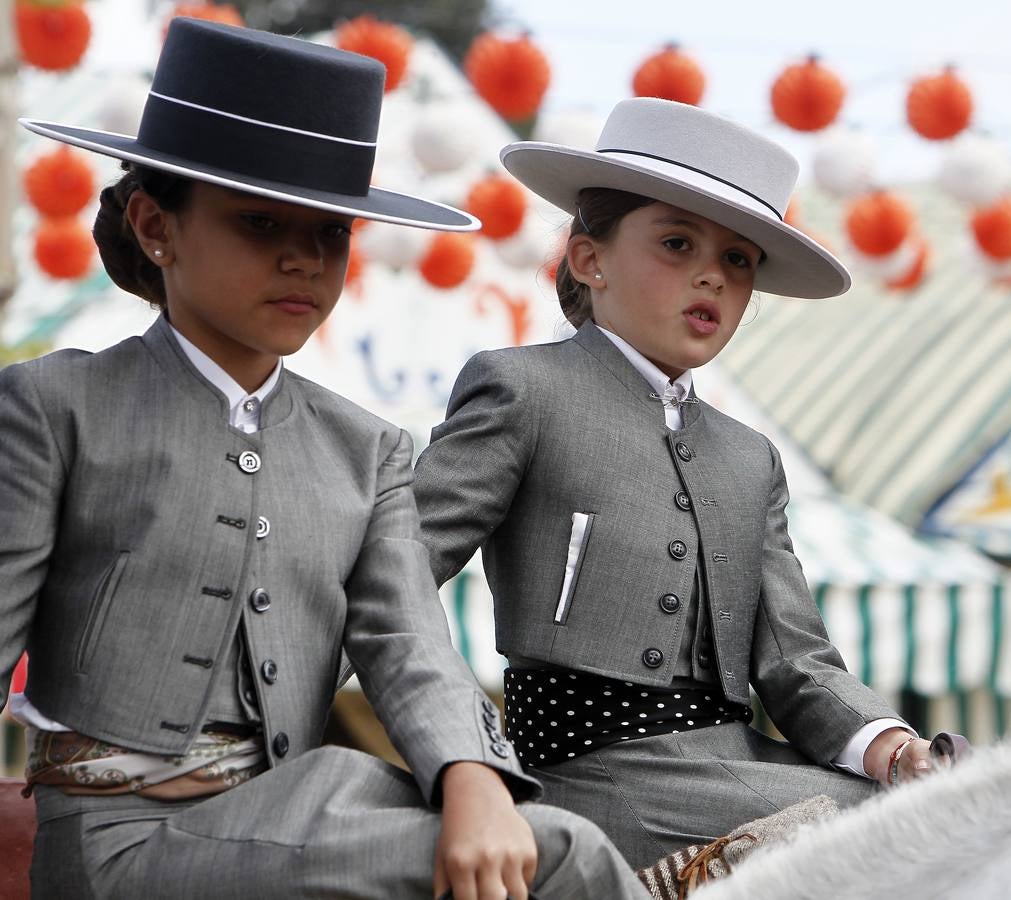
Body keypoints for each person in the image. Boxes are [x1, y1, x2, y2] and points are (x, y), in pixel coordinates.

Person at [0, 19, 652, 899]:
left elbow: (407, 637)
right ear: (157, 225)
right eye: (260, 222)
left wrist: (471, 773)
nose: (304, 258)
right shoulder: (54, 407)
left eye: (332, 231)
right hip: (121, 847)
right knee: (566, 858)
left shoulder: (368, 447)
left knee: (535, 836)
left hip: (300, 806)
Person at [413, 97, 948, 870]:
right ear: (589, 260)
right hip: (587, 776)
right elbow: (394, 574)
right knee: (873, 835)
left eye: (738, 259)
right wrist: (463, 753)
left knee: (944, 810)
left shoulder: (749, 457)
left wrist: (897, 752)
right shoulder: (523, 389)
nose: (712, 275)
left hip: (740, 761)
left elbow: (796, 663)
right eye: (676, 242)